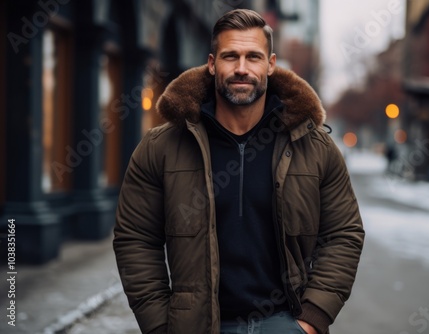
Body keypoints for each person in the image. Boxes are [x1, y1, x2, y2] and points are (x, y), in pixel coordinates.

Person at [113, 9, 364, 334]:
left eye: (253, 57)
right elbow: (136, 238)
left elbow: (344, 233)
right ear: (213, 63)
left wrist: (311, 319)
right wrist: (160, 325)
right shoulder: (162, 146)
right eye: (230, 56)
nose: (242, 69)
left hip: (284, 324)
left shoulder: (313, 146)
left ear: (271, 64)